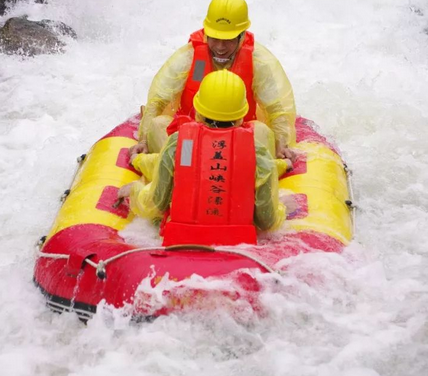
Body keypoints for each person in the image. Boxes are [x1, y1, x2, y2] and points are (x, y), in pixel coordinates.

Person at [119, 70, 289, 246]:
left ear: (198, 112)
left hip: (181, 243)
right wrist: (282, 208)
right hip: (240, 247)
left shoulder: (183, 145)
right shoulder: (258, 152)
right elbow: (266, 221)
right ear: (241, 116)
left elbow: (156, 203)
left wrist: (134, 191)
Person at [131, 0, 297, 161]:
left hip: (239, 137)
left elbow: (276, 109)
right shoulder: (189, 58)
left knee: (261, 130)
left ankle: (249, 174)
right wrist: (144, 140)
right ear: (206, 32)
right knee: (159, 124)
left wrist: (282, 144)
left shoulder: (258, 61)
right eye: (214, 38)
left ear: (242, 35)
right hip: (190, 137)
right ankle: (180, 170)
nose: (220, 47)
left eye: (228, 40)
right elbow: (157, 101)